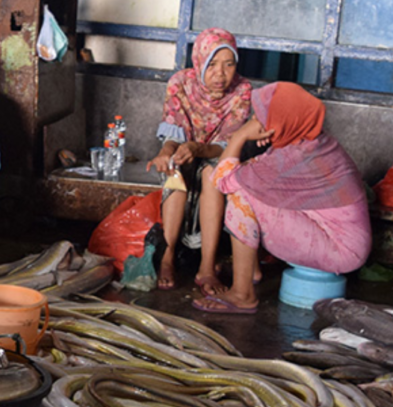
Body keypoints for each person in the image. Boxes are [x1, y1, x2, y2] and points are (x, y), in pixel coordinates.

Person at [193, 82, 371, 314]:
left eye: (262, 117)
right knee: (249, 182)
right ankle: (251, 272)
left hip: (341, 249)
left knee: (241, 194)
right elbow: (256, 170)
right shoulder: (311, 140)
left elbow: (222, 182)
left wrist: (239, 137)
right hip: (344, 238)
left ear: (282, 120)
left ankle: (242, 294)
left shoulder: (292, 157)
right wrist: (274, 143)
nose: (256, 122)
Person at [146, 27, 253, 293]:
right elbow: (172, 133)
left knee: (212, 176)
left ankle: (206, 266)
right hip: (184, 150)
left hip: (217, 155)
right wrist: (166, 153)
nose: (220, 73)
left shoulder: (242, 90)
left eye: (229, 64)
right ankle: (167, 258)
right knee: (175, 170)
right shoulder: (180, 84)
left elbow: (227, 147)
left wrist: (197, 148)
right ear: (200, 61)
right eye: (213, 64)